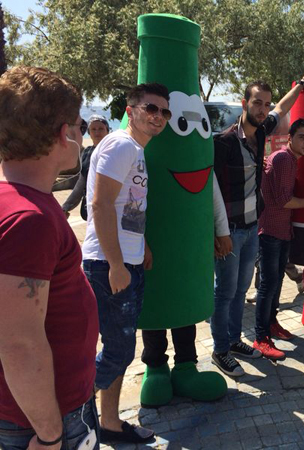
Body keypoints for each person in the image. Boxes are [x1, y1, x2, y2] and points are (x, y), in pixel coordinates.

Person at [0, 66, 100, 450]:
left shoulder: (19, 201)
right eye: (79, 125)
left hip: (47, 409)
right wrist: (49, 435)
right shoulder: (29, 220)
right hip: (44, 420)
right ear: (64, 134)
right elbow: (20, 344)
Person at [211, 69, 304, 377]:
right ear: (244, 103)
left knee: (241, 289)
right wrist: (218, 232)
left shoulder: (260, 133)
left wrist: (302, 83)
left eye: (265, 104)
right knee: (225, 292)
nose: (262, 109)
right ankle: (220, 350)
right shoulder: (224, 142)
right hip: (230, 229)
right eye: (257, 103)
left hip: (252, 228)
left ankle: (234, 340)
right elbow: (211, 189)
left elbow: (282, 109)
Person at [82, 83, 171, 443]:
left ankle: (109, 423)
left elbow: (126, 206)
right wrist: (117, 264)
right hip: (109, 264)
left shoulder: (134, 149)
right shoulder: (120, 145)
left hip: (126, 260)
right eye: (152, 108)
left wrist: (141, 244)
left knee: (118, 350)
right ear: (131, 111)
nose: (159, 116)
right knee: (118, 351)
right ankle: (66, 411)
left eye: (164, 111)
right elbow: (100, 205)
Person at [253, 119, 304, 360]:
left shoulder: (289, 159)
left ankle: (271, 323)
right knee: (268, 285)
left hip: (281, 230)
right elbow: (282, 200)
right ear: (290, 138)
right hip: (270, 231)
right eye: (302, 137)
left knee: (275, 283)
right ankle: (261, 338)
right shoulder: (284, 159)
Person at [61, 115, 110, 219]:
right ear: (89, 132)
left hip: (110, 207)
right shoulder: (87, 153)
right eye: (93, 129)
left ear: (107, 131)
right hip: (90, 207)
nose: (97, 132)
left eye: (101, 129)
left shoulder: (114, 152)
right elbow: (82, 181)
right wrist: (66, 207)